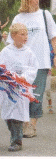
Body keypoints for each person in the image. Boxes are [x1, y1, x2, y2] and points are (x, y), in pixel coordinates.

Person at [8, 0, 56, 138]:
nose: (37, 1)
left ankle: (32, 124)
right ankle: (24, 122)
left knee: (36, 94)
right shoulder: (19, 18)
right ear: (26, 0)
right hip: (22, 63)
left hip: (41, 62)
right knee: (23, 94)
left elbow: (53, 37)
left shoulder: (45, 15)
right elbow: (11, 41)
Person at [0, 23, 38, 152]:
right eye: (22, 34)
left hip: (21, 89)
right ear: (13, 35)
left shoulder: (29, 53)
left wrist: (23, 78)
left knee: (17, 114)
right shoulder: (6, 52)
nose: (25, 37)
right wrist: (9, 77)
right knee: (8, 115)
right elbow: (2, 67)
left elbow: (33, 69)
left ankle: (17, 140)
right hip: (8, 88)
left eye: (26, 34)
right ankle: (16, 133)